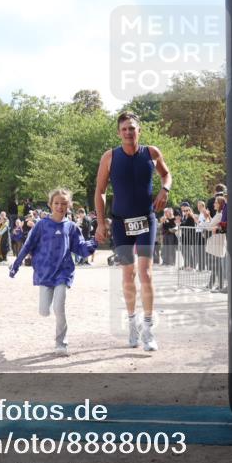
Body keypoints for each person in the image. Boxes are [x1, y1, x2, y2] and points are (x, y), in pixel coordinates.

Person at [95, 111, 172, 352]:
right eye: (124, 129)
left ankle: (148, 327)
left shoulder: (151, 153)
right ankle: (131, 323)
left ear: (139, 131)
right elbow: (100, 191)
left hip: (146, 220)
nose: (129, 132)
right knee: (128, 275)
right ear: (119, 133)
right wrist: (100, 222)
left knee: (146, 273)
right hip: (121, 223)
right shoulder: (109, 158)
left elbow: (166, 174)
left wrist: (165, 189)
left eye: (132, 128)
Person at [9, 188, 97, 355]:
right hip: (44, 272)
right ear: (50, 205)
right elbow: (27, 245)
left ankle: (61, 343)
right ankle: (48, 313)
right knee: (44, 311)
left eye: (64, 203)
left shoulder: (71, 227)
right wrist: (16, 264)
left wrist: (95, 242)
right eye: (56, 203)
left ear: (69, 206)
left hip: (63, 272)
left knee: (59, 306)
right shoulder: (41, 225)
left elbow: (80, 249)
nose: (60, 206)